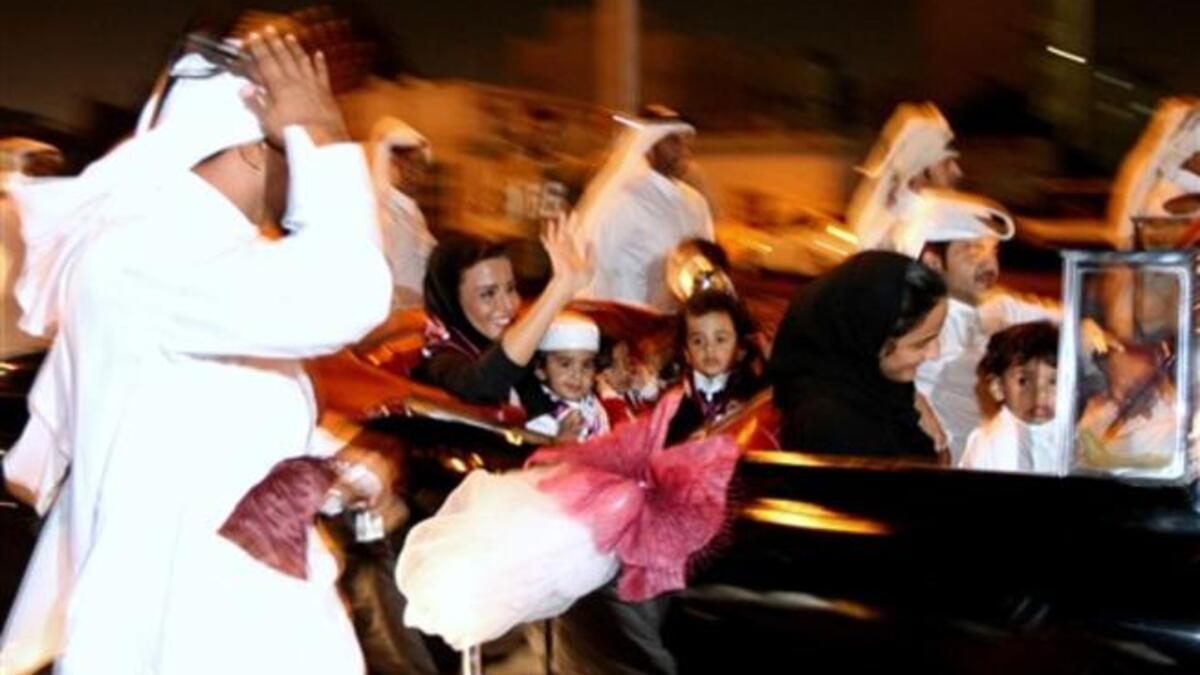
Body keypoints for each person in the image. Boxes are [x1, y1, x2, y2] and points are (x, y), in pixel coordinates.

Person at [0, 30, 391, 675]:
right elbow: (348, 294)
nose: (300, 163)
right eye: (288, 145)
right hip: (196, 629)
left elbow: (193, 407)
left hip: (225, 612)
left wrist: (326, 456)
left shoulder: (178, 248)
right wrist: (322, 130)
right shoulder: (150, 250)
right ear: (251, 148)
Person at [885, 188, 1057, 461]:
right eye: (972, 250)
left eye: (993, 250)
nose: (989, 263)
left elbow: (1069, 321)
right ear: (933, 262)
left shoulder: (999, 307)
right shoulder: (908, 324)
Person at [768, 251, 948, 456]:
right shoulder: (832, 427)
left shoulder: (874, 382)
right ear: (869, 338)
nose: (935, 353)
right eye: (920, 344)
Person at [413, 217, 592, 406]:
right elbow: (483, 385)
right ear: (451, 299)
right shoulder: (439, 359)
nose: (508, 305)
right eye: (488, 294)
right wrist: (558, 290)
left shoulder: (507, 342)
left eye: (510, 288)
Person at [574, 112, 714, 312]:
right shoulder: (622, 199)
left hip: (681, 322)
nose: (683, 151)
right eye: (673, 142)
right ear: (649, 148)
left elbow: (706, 261)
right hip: (631, 320)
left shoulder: (695, 202)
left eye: (684, 143)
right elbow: (592, 263)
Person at [846, 102, 962, 253]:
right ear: (920, 168)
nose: (957, 171)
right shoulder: (891, 229)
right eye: (946, 163)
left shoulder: (934, 211)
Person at [959, 321, 1061, 474]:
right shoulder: (996, 441)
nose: (1041, 394)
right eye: (1023, 381)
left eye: (1054, 381)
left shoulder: (1064, 433)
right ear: (998, 388)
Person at [666, 289, 765, 442]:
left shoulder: (753, 394)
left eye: (720, 339)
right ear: (686, 353)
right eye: (698, 341)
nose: (709, 349)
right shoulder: (674, 403)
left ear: (740, 348)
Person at [369, 116, 436, 309]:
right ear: (390, 165)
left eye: (420, 165)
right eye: (406, 163)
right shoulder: (381, 214)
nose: (414, 172)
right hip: (394, 321)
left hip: (417, 319)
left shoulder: (415, 216)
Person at [524, 312, 616, 443]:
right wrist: (559, 440)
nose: (577, 375)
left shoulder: (594, 406)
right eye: (565, 364)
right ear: (541, 369)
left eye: (586, 365)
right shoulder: (537, 414)